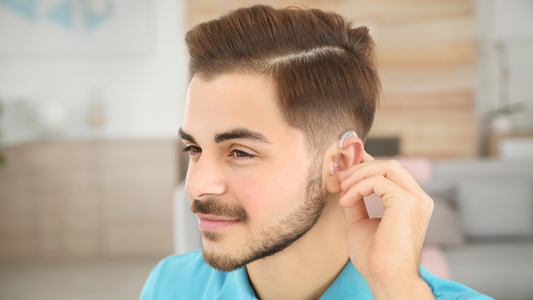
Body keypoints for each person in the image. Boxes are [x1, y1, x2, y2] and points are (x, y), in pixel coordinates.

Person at [140, 4, 493, 300]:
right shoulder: (171, 284)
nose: (196, 185)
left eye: (240, 152)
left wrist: (396, 286)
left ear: (339, 163)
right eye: (194, 148)